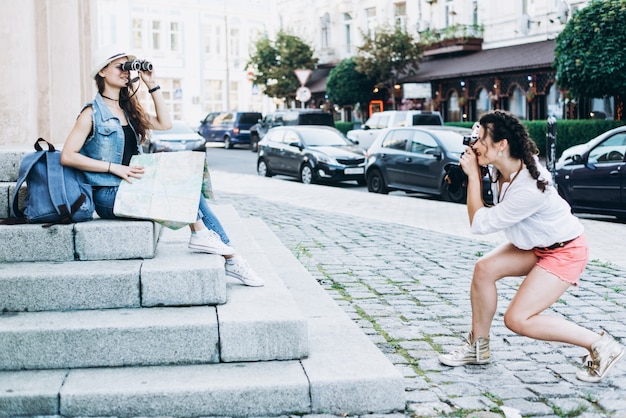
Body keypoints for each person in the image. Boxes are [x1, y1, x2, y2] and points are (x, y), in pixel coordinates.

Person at [438, 110, 623, 383]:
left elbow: (479, 225)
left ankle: (600, 344)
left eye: (480, 139)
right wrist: (476, 159)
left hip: (564, 250)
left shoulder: (530, 187)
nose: (474, 145)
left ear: (502, 145)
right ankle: (478, 347)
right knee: (484, 269)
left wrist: (474, 179)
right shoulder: (501, 166)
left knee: (518, 319)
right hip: (538, 244)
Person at [60, 46, 263, 287]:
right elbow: (68, 155)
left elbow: (165, 123)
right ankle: (223, 251)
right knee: (182, 186)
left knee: (188, 181)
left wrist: (151, 84)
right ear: (102, 71)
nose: (126, 72)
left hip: (132, 185)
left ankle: (220, 248)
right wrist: (113, 168)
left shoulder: (128, 110)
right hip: (107, 194)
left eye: (129, 67)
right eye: (120, 67)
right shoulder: (91, 113)